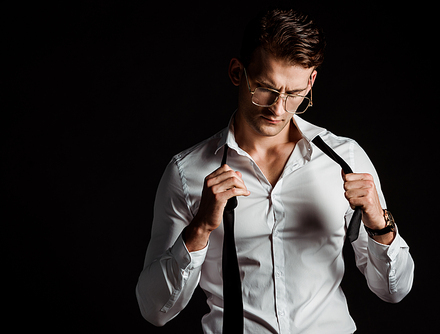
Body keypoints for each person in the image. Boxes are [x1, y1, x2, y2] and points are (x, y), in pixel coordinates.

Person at [136, 7, 414, 334]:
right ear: (238, 73)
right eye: (266, 88)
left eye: (295, 94)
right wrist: (200, 229)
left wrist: (378, 221)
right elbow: (154, 309)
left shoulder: (345, 159)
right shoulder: (188, 173)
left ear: (311, 81)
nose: (278, 109)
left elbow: (393, 290)